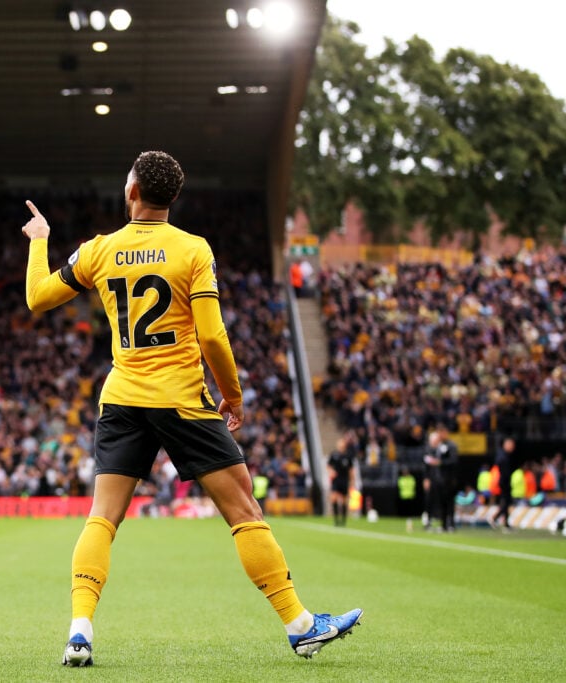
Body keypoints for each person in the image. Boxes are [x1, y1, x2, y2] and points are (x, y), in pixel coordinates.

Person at [19, 151, 362, 664]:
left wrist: (41, 240)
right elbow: (211, 335)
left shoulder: (99, 249)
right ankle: (301, 624)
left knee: (102, 518)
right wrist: (234, 394)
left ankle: (79, 631)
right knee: (243, 509)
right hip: (181, 398)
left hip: (122, 397)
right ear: (171, 198)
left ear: (132, 191)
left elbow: (37, 298)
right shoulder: (192, 250)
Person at [423, 424, 459, 532]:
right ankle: (443, 524)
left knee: (449, 502)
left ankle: (451, 523)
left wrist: (440, 462)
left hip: (448, 478)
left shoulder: (451, 445)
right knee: (442, 502)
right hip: (439, 479)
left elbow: (453, 461)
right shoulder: (438, 446)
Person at [327, 435, 357, 526]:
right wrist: (331, 472)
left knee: (344, 500)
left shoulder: (348, 456)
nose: (340, 446)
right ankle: (336, 521)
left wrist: (352, 481)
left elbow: (351, 470)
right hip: (336, 480)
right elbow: (328, 466)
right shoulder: (334, 454)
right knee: (334, 498)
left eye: (342, 444)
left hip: (344, 480)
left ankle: (343, 521)